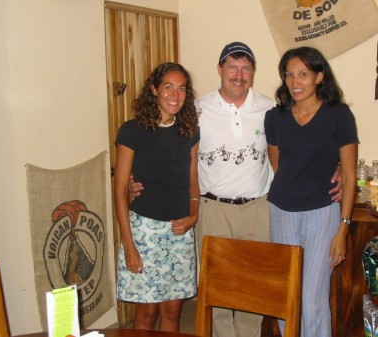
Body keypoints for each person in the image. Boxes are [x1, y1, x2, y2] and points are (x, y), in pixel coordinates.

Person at [130, 42, 342, 337]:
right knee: (217, 291)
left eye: (245, 68)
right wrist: (134, 179)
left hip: (258, 208)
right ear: (220, 69)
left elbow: (305, 147)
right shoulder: (196, 109)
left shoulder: (270, 109)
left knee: (254, 288)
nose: (238, 74)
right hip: (213, 209)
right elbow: (163, 147)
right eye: (232, 66)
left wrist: (338, 169)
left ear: (253, 73)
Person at [264, 47, 358, 337]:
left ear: (319, 76)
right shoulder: (274, 117)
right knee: (288, 293)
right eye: (289, 75)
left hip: (322, 213)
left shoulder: (339, 115)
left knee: (313, 298)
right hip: (281, 211)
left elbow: (350, 175)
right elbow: (279, 165)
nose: (295, 82)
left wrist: (342, 230)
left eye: (303, 74)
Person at [114, 62, 200, 332]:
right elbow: (119, 190)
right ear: (154, 90)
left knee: (173, 313)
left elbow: (193, 181)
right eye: (168, 87)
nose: (175, 95)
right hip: (144, 233)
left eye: (182, 89)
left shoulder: (189, 131)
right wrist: (128, 245)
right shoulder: (132, 131)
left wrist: (193, 216)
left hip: (179, 232)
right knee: (147, 315)